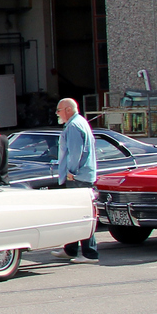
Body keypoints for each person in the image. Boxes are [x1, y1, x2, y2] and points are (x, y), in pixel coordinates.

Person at [54, 99, 100, 260]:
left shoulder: (73, 126)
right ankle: (70, 249)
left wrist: (71, 172)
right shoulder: (80, 122)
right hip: (83, 175)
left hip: (78, 177)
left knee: (82, 215)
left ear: (68, 109)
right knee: (74, 215)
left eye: (59, 110)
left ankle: (90, 253)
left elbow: (75, 152)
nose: (57, 113)